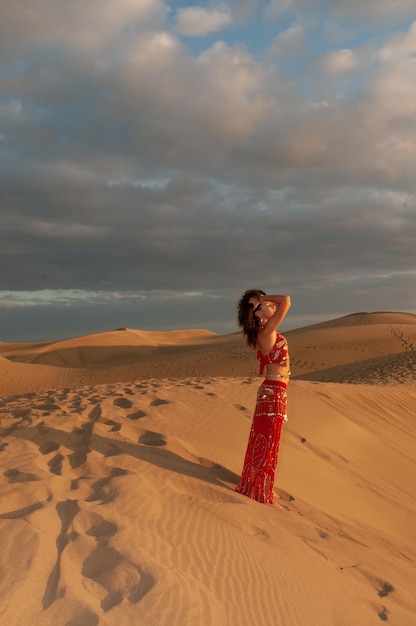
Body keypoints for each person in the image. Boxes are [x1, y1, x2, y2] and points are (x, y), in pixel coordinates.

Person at [235, 289, 291, 506]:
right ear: (257, 313)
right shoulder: (266, 332)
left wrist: (260, 301)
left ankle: (261, 484)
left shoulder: (268, 331)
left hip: (275, 391)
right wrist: (260, 301)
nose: (269, 305)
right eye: (262, 305)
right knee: (267, 440)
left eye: (266, 302)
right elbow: (286, 300)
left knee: (270, 439)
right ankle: (259, 489)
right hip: (273, 391)